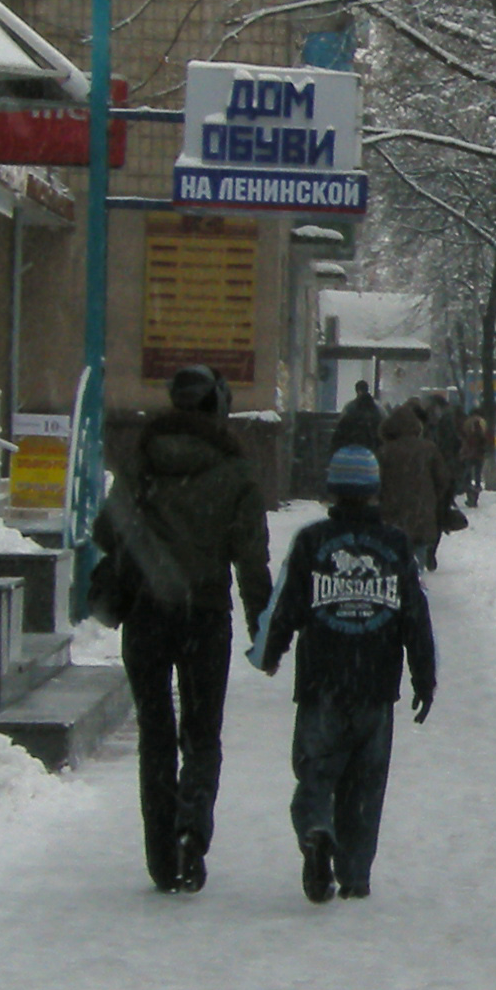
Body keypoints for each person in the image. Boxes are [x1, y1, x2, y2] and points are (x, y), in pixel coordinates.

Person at [93, 366, 278, 894]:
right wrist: (263, 630)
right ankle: (191, 834)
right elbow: (251, 560)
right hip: (204, 616)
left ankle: (159, 856)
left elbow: (107, 530)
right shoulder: (236, 470)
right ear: (217, 407)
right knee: (200, 735)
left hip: (148, 614)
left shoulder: (143, 460)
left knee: (155, 734)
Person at [256, 442, 437, 905]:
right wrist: (423, 675)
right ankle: (354, 873)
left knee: (316, 771)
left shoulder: (312, 541)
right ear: (375, 490)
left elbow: (288, 605)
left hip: (321, 683)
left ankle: (317, 829)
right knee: (365, 786)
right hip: (376, 688)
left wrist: (272, 650)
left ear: (332, 491)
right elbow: (415, 615)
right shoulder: (396, 545)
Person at [379, 395, 446, 569]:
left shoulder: (384, 451)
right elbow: (443, 481)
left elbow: (376, 485)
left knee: (391, 566)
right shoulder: (429, 449)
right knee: (416, 566)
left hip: (391, 518)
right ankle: (414, 589)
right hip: (421, 518)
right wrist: (429, 499)